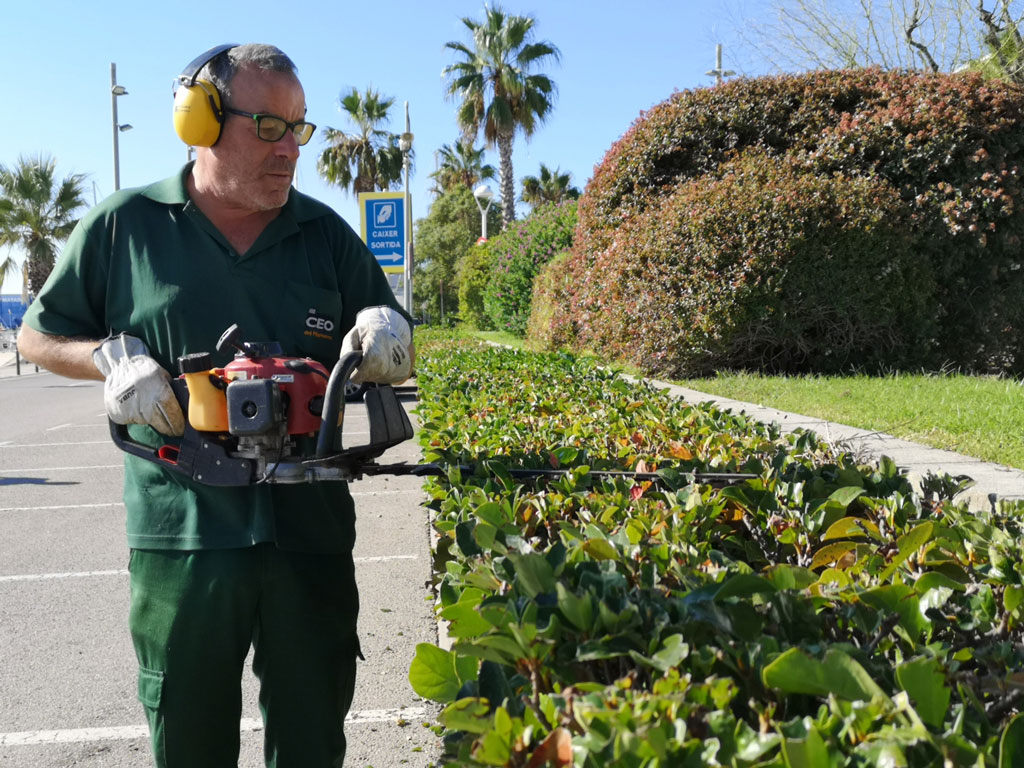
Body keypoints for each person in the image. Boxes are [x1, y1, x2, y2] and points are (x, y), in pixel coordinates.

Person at [17, 43, 414, 767]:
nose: (290, 148)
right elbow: (39, 335)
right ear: (199, 121)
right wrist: (108, 358)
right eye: (269, 127)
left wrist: (390, 337)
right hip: (181, 541)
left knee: (313, 740)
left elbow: (393, 335)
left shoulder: (322, 234)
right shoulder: (125, 226)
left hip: (310, 534)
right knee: (189, 743)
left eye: (299, 128)